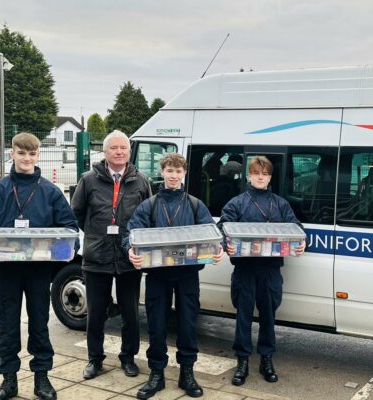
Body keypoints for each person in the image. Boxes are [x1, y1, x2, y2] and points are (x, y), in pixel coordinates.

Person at [0, 132, 79, 400]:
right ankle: (9, 381)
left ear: (38, 156)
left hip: (39, 271)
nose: (27, 158)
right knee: (7, 324)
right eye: (21, 153)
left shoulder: (50, 192)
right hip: (6, 271)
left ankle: (42, 379)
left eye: (32, 153)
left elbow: (70, 228)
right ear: (12, 153)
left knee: (40, 324)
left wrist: (69, 250)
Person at [124, 153, 224, 399]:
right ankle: (156, 373)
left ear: (184, 174)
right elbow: (131, 233)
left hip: (188, 274)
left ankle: (187, 373)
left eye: (178, 172)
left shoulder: (194, 204)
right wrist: (130, 251)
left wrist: (216, 249)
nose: (173, 176)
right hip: (158, 274)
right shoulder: (150, 205)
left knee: (188, 324)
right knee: (157, 324)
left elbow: (210, 232)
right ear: (163, 172)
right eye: (170, 171)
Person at [218, 155, 306, 386]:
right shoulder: (237, 203)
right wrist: (225, 241)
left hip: (271, 270)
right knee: (243, 316)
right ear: (249, 174)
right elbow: (222, 228)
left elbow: (296, 227)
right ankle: (242, 361)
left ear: (270, 177)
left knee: (268, 316)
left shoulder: (281, 204)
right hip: (245, 270)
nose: (260, 177)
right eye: (256, 173)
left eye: (265, 174)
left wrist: (302, 239)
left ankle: (267, 358)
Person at [71, 130, 152, 380]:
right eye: (114, 148)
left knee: (130, 313)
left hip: (129, 258)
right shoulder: (88, 180)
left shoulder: (141, 181)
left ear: (129, 152)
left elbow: (148, 216)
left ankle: (128, 358)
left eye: (123, 148)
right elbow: (77, 214)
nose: (119, 152)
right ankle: (95, 360)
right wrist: (96, 236)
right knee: (95, 314)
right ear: (105, 152)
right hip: (97, 258)